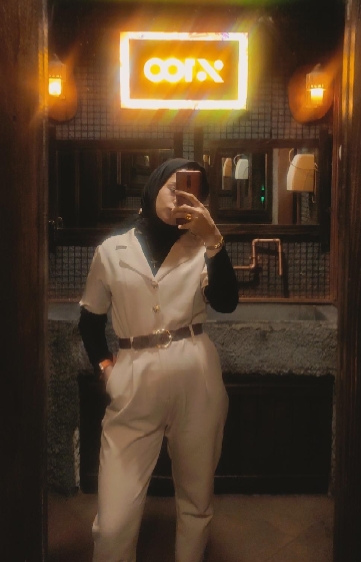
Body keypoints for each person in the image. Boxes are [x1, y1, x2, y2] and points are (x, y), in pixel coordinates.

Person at [78, 157, 238, 562]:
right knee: (113, 524)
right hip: (133, 378)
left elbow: (226, 301)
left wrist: (214, 239)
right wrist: (107, 371)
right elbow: (90, 323)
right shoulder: (112, 250)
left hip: (196, 377)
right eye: (173, 186)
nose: (181, 197)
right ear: (152, 188)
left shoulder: (202, 248)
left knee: (196, 500)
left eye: (193, 190)